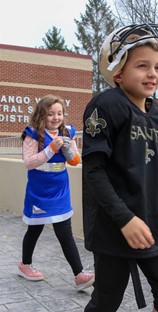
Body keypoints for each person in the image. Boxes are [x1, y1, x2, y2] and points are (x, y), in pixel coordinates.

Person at [82, 23, 158, 311]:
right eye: (142, 65)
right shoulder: (105, 106)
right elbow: (94, 171)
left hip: (153, 224)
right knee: (107, 300)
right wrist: (125, 219)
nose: (152, 73)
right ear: (118, 72)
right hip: (114, 225)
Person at [18, 94, 94, 291]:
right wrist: (51, 149)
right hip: (39, 189)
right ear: (41, 115)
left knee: (64, 231)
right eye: (50, 114)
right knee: (35, 228)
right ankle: (25, 265)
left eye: (59, 113)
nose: (55, 117)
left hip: (60, 189)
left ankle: (79, 275)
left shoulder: (67, 132)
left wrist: (69, 150)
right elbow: (29, 162)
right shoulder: (32, 133)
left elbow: (76, 161)